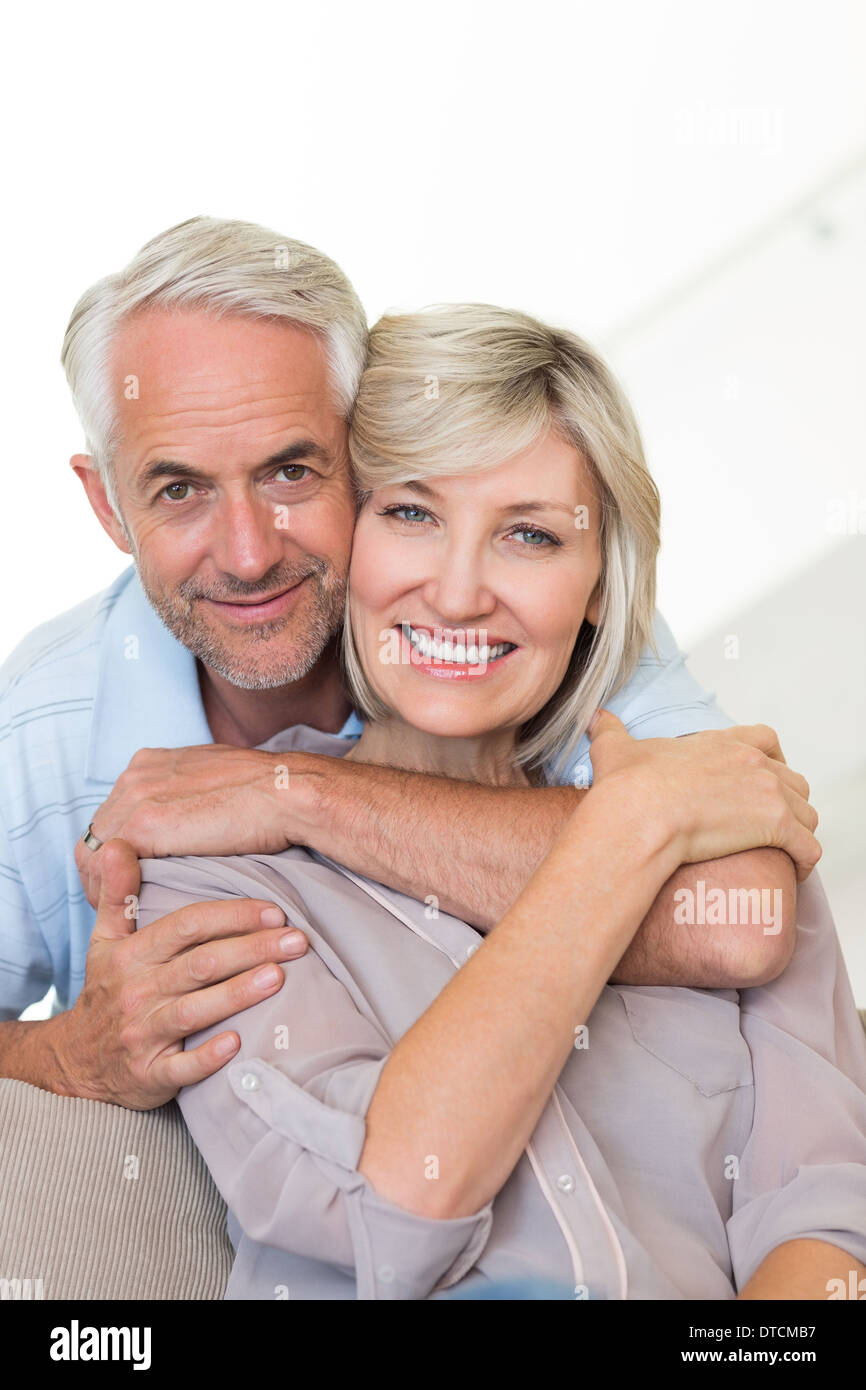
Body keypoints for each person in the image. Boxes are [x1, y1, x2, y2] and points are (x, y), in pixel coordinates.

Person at [133, 305, 866, 1300]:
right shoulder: (213, 871)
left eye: (528, 534)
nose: (459, 591)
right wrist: (625, 830)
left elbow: (818, 1214)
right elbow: (390, 1202)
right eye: (412, 514)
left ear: (599, 581)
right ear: (349, 537)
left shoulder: (729, 829)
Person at [0, 218, 800, 1108]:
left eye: (291, 472)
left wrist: (295, 794)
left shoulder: (524, 616)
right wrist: (68, 1054)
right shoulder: (42, 717)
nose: (249, 553)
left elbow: (738, 915)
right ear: (108, 504)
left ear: (365, 455)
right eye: (179, 489)